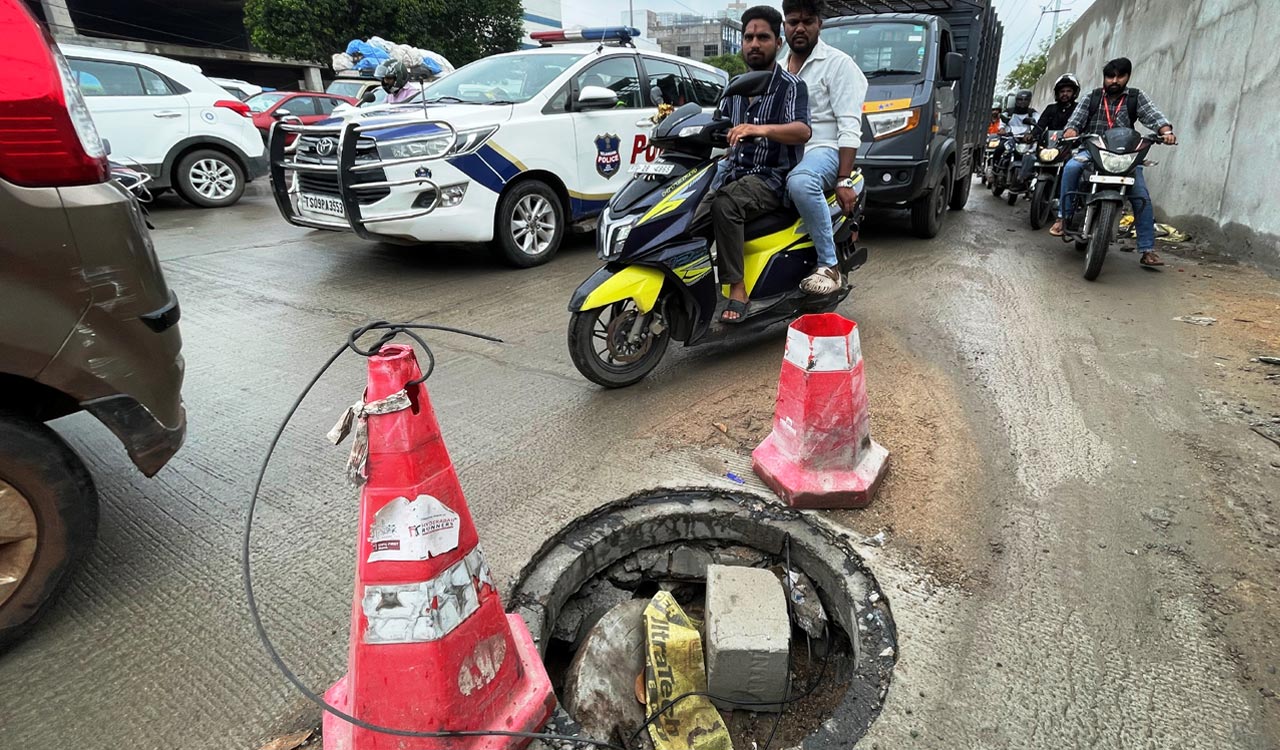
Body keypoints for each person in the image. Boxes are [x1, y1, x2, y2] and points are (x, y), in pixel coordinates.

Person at [699, 6, 811, 322]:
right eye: (748, 37)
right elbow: (717, 127)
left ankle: (738, 291)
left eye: (763, 37)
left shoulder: (791, 85)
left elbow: (802, 131)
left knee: (725, 205)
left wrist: (759, 129)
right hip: (734, 175)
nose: (754, 44)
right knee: (689, 217)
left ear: (778, 42)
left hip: (772, 179)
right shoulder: (735, 86)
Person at [1051, 57, 1177, 267]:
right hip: (1093, 150)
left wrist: (1166, 132)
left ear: (1128, 77)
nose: (1115, 81)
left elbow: (1153, 116)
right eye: (1110, 77)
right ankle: (1062, 218)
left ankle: (1147, 249)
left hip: (1124, 155)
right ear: (1105, 78)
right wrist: (1071, 131)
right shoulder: (1092, 97)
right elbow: (1075, 120)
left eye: (1120, 76)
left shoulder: (1135, 97)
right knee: (1071, 168)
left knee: (1141, 196)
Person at [781, 0, 868, 295]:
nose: (800, 28)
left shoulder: (838, 64)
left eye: (807, 21)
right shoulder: (778, 69)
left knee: (801, 182)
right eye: (793, 22)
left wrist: (843, 179)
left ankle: (829, 265)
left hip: (824, 149)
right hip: (786, 151)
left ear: (819, 23)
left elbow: (849, 125)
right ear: (784, 25)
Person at [1018, 73, 1080, 184]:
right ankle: (1023, 183)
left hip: (1070, 146)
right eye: (1062, 91)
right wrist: (1032, 134)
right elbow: (1041, 125)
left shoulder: (1078, 108)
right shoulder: (1050, 108)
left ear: (1074, 93)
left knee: (1075, 165)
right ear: (1057, 93)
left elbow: (1083, 125)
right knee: (1029, 156)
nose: (1065, 94)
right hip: (1050, 145)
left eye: (1068, 91)